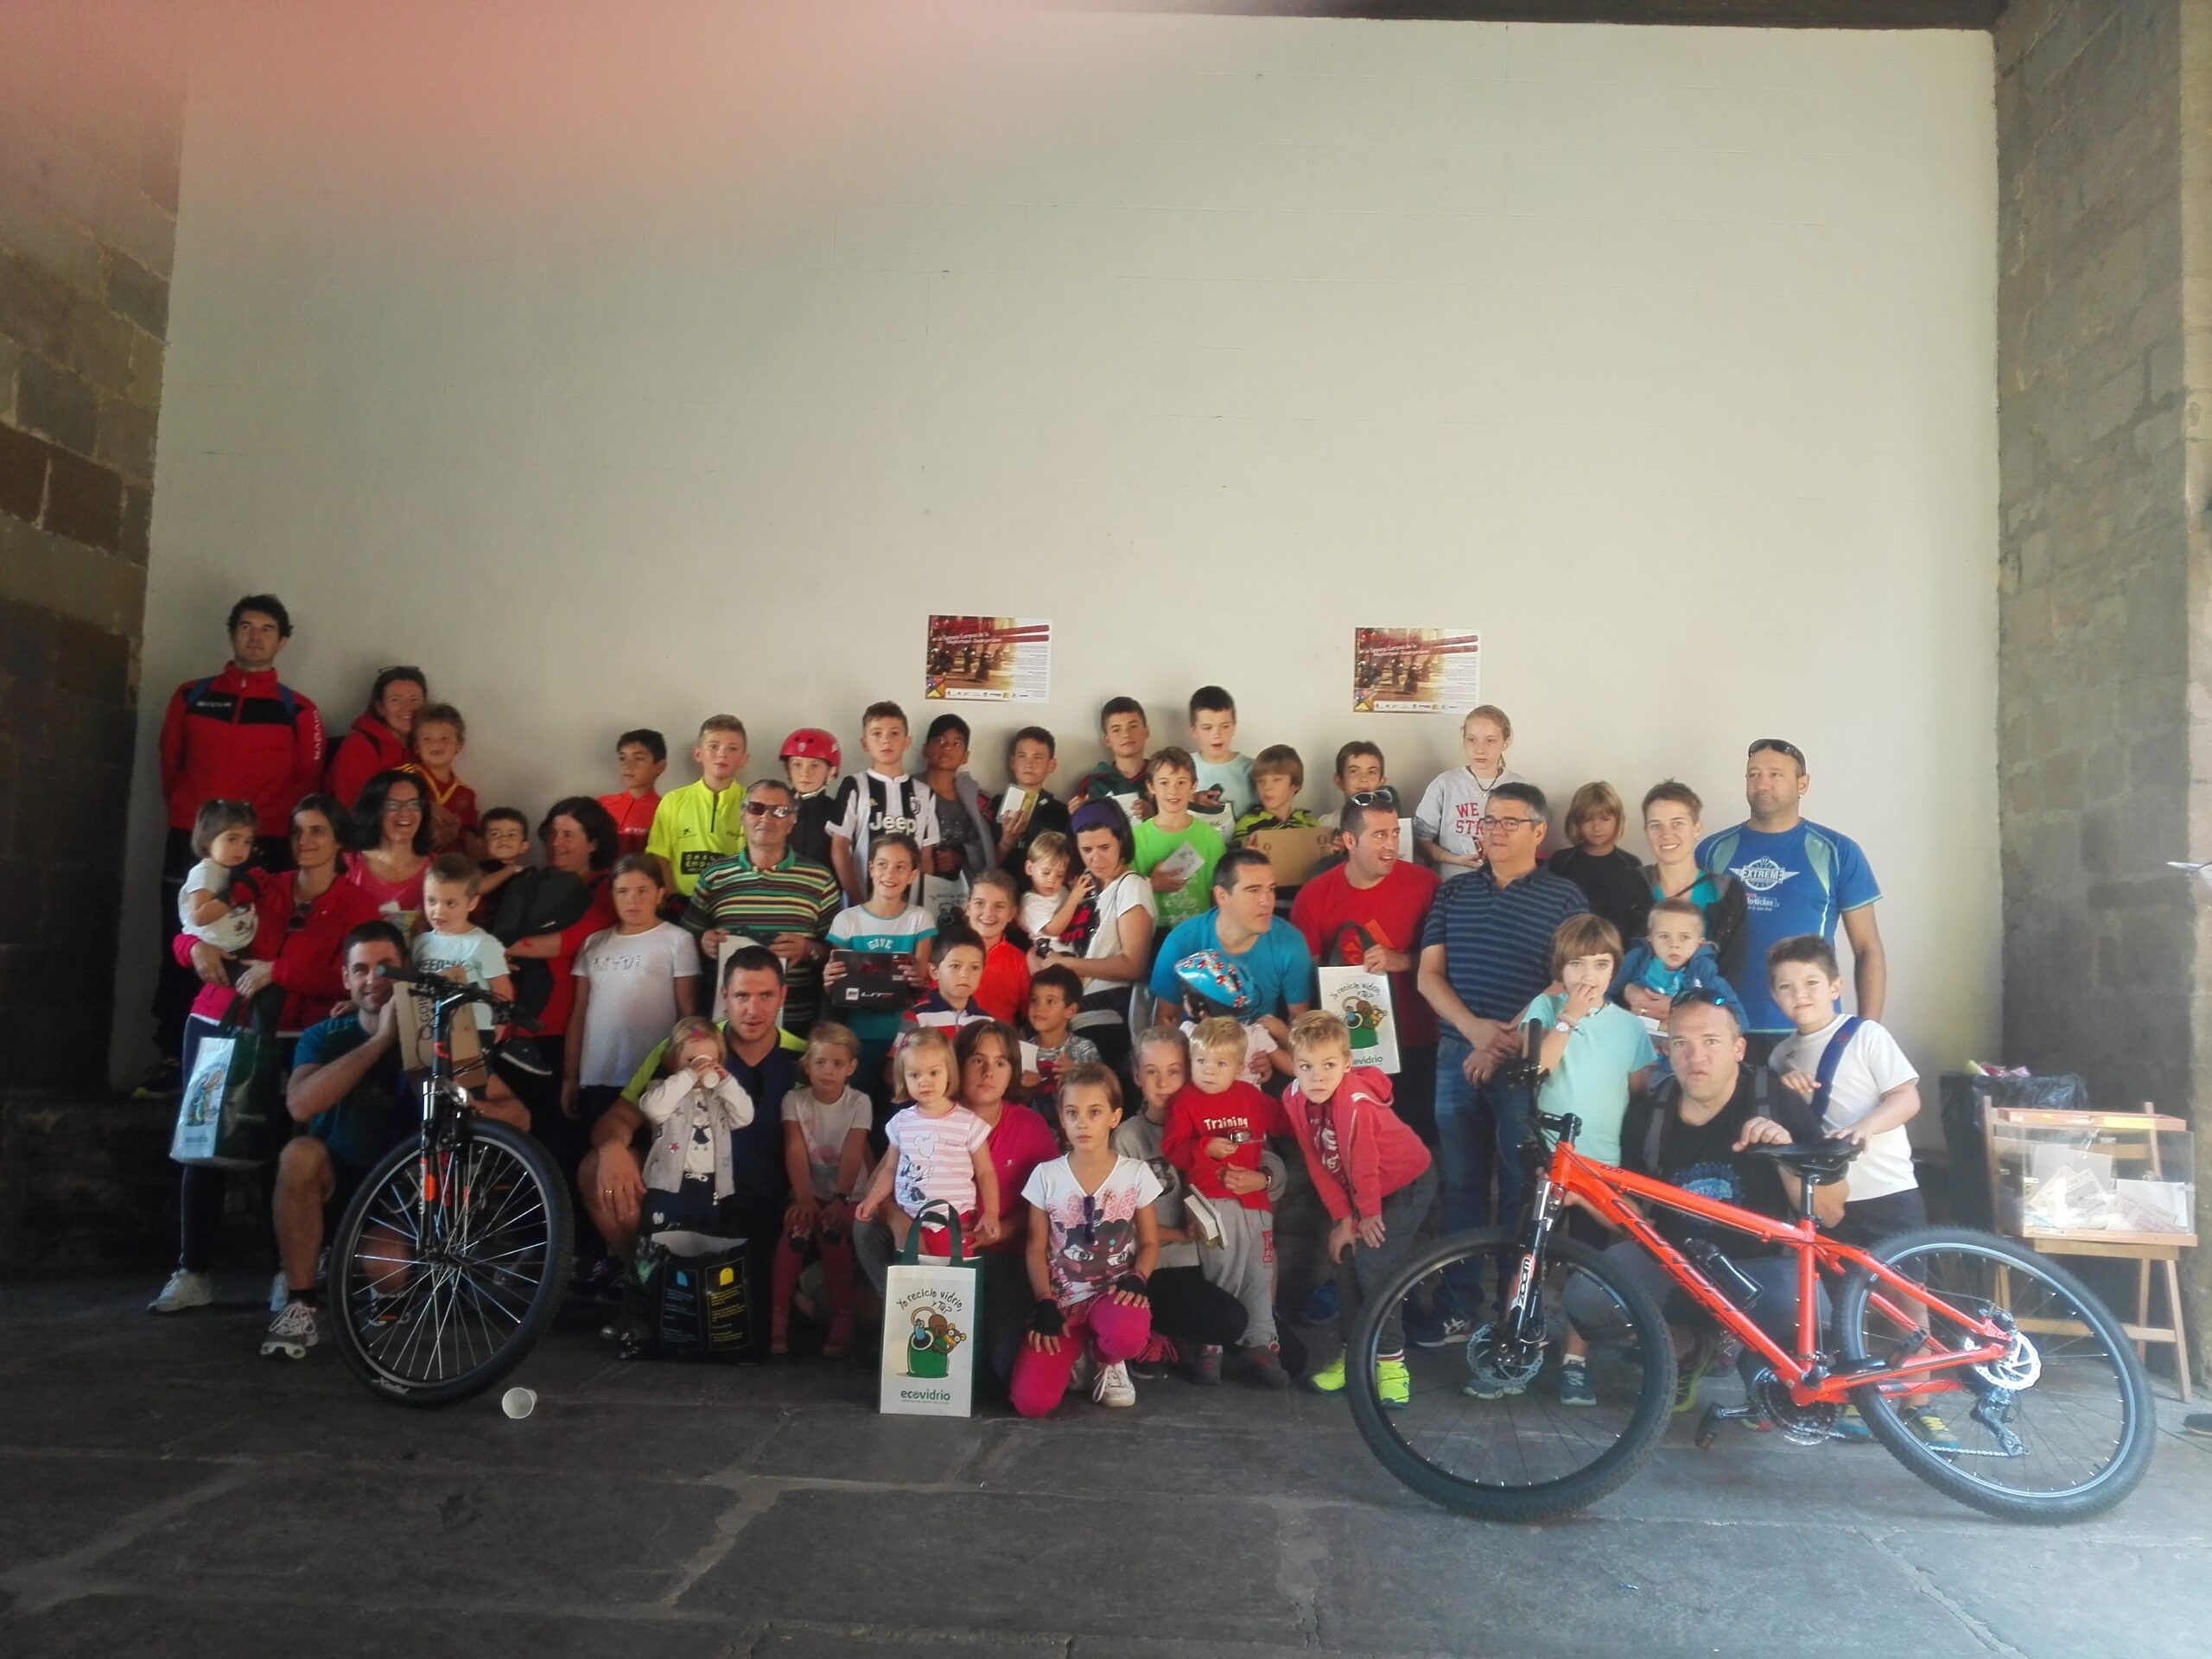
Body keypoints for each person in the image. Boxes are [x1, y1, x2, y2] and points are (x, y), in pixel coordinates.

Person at [150, 794, 379, 1317]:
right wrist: (195, 949)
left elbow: (352, 978)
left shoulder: (357, 904)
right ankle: (193, 1271)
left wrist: (280, 971)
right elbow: (189, 930)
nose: (305, 841)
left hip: (298, 1036)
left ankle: (287, 1272)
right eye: (297, 830)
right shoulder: (261, 883)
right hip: (222, 1023)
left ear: (339, 841)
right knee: (202, 1150)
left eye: (317, 831)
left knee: (283, 1155)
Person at [1557, 995, 1837, 1413]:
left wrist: (1786, 1152)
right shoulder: (1650, 1116)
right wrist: (1584, 1196)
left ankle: (1760, 1367)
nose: (1695, 1056)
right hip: (1679, 1266)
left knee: (1805, 1319)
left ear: (1738, 1048)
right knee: (1590, 1294)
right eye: (1681, 1043)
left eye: (1711, 1041)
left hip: (1761, 1269)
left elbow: (1831, 1211)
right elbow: (1639, 1219)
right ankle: (1688, 1346)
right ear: (1666, 1051)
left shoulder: (1775, 1100)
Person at [1414, 782, 1586, 1336]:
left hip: (1527, 1060)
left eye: (1511, 822)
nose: (1496, 831)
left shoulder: (1565, 897)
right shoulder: (1454, 893)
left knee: (1522, 1187)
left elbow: (1574, 978)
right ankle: (1458, 1306)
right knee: (1461, 1184)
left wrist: (1509, 1035)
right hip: (1455, 1055)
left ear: (1539, 832)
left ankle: (1517, 1313)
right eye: (1489, 821)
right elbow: (1428, 976)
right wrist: (1476, 1032)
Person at [147, 594, 323, 1094]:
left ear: (282, 641)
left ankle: (240, 1058)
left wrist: (260, 839)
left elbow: (306, 781)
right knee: (180, 941)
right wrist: (197, 827)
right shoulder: (191, 695)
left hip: (263, 847)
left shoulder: (299, 709)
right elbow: (170, 765)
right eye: (246, 626)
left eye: (267, 629)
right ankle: (172, 1054)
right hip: (192, 842)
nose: (255, 636)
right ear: (231, 634)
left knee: (252, 947)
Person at [586, 947, 809, 1310]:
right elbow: (619, 1118)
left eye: (766, 996)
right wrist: (612, 1149)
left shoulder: (808, 1058)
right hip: (686, 1191)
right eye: (742, 996)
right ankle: (648, 1289)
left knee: (759, 1307)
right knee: (596, 1168)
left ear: (783, 995)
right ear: (724, 996)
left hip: (767, 1204)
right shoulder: (686, 1047)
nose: (753, 1009)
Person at [257, 921, 416, 1357]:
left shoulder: (430, 1034)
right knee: (298, 1153)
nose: (373, 979)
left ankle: (348, 1266)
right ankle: (300, 1301)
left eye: (386, 967)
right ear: (346, 978)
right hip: (336, 1183)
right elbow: (300, 1106)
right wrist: (380, 1041)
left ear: (406, 969)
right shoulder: (324, 1035)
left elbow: (515, 1112)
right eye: (361, 969)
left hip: (400, 1196)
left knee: (389, 1270)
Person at [1281, 1011, 1437, 1410]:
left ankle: (1391, 1364)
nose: (1317, 1077)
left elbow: (1363, 1164)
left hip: (1406, 1184)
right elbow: (1318, 1161)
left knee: (1373, 1265)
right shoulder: (1294, 1098)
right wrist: (1343, 1219)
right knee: (1347, 1263)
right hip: (1363, 1193)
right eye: (1306, 1066)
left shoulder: (1355, 1104)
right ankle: (1356, 1357)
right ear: (1293, 1065)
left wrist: (1365, 1215)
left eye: (1329, 1065)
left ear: (1347, 1063)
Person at [1697, 741, 1885, 1064]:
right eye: (1753, 774)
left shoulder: (1837, 852)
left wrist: (1866, 1035)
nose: (1762, 783)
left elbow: (1868, 948)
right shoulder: (1712, 851)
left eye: (1775, 774)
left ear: (1802, 784)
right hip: (1724, 1026)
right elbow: (1688, 937)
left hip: (1811, 1029)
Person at [1011, 1065, 1160, 1415]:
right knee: (1031, 1403)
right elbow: (1035, 1247)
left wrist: (1138, 1278)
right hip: (1062, 1305)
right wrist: (1045, 1302)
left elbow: (1151, 1242)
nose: (1082, 1123)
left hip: (1113, 1297)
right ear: (1061, 1119)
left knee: (1127, 1333)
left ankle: (1109, 1359)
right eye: (1072, 1113)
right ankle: (1081, 1353)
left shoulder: (1136, 1174)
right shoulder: (1046, 1176)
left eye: (1094, 1113)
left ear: (1114, 1117)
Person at [1291, 796, 1441, 1141]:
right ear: (1349, 840)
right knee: (1358, 1142)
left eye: (1394, 833)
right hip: (1347, 1049)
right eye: (1379, 835)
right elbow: (1306, 980)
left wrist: (1402, 961)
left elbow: (1453, 962)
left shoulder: (1426, 885)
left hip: (1418, 1039)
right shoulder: (1314, 896)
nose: (1391, 845)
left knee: (1418, 1142)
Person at [1113, 1026, 1254, 1378]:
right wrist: (1180, 1234)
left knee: (1290, 1357)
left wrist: (1264, 1178)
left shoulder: (1211, 1121)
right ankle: (1152, 1328)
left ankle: (1191, 1338)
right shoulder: (1127, 1137)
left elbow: (1268, 1161)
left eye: (1174, 1072)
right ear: (1136, 1076)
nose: (1163, 1083)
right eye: (1152, 1072)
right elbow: (1118, 1225)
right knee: (1230, 1321)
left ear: (1190, 1072)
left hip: (1217, 1257)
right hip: (1163, 1263)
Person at [1766, 934, 1922, 1245]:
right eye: (1786, 987)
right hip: (1826, 1197)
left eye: (1812, 982)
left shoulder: (1866, 1034)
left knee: (1901, 1275)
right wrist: (1786, 1089)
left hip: (1886, 1188)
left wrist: (1865, 1127)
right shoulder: (1780, 1056)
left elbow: (1907, 1098)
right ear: (1774, 996)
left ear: (1835, 987)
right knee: (1835, 1275)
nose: (1799, 994)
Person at [1162, 1017, 1292, 1388]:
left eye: (1220, 1063)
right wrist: (1205, 1148)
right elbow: (1172, 1148)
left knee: (1260, 1273)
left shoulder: (1252, 1097)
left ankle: (1261, 1344)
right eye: (1201, 1061)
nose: (1209, 1070)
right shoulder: (1185, 1101)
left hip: (1256, 1204)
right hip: (1212, 1204)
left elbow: (1287, 1120)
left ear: (1239, 1066)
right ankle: (1210, 1346)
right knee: (1221, 1272)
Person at [502, 797, 622, 1146]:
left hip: (567, 1029)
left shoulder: (606, 886)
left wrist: (499, 950)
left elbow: (572, 940)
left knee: (558, 1133)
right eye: (552, 834)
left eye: (569, 835)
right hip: (514, 1026)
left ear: (594, 843)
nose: (556, 843)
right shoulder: (533, 881)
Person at [681, 778, 842, 1033]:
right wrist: (704, 943)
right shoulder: (715, 876)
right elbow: (683, 945)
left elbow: (836, 953)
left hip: (796, 1026)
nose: (766, 818)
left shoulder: (819, 879)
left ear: (792, 821)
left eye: (779, 811)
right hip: (725, 1025)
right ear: (742, 816)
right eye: (756, 808)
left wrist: (808, 949)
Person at [563, 855, 702, 1132]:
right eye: (623, 891)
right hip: (597, 1073)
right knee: (600, 1148)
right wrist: (570, 1076)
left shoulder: (677, 940)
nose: (632, 900)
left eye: (642, 891)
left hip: (653, 1074)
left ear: (660, 894)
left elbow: (687, 1013)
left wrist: (684, 1071)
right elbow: (579, 1013)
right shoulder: (593, 943)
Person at [1147, 848, 1317, 1046]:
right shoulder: (1182, 943)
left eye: (1271, 889)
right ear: (1221, 896)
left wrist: (1278, 1049)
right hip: (1196, 1052)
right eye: (1253, 890)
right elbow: (1165, 1025)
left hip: (1263, 1051)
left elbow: (1299, 1022)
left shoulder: (1290, 942)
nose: (1267, 901)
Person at [772, 1023, 872, 1356]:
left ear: (851, 1068)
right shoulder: (794, 1100)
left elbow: (855, 1150)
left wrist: (841, 1198)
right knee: (796, 1229)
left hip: (849, 1194)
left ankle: (843, 1319)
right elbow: (794, 1147)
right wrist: (802, 1196)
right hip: (810, 1190)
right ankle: (777, 1315)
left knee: (831, 1231)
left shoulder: (859, 1102)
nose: (828, 1071)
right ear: (807, 1066)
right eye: (820, 1063)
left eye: (837, 1064)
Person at [855, 1027, 1001, 1252]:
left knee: (950, 1276)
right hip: (909, 1223)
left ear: (949, 1071)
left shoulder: (968, 1123)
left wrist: (991, 1213)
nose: (924, 1081)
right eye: (915, 1075)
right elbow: (890, 1169)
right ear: (903, 1078)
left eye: (934, 1073)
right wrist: (874, 1197)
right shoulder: (901, 1122)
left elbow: (985, 1172)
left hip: (954, 1225)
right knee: (909, 1275)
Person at [823, 833, 934, 1109]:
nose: (890, 874)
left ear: (913, 874)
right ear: (871, 868)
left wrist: (918, 978)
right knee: (857, 1109)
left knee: (900, 1110)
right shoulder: (847, 920)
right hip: (857, 1036)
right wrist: (829, 980)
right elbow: (836, 983)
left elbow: (922, 980)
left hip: (906, 1037)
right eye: (882, 864)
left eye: (900, 867)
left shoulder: (919, 919)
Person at [1060, 803, 1157, 1084]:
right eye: (1087, 850)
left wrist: (1067, 965)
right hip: (1080, 1008)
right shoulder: (1090, 888)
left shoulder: (1131, 886)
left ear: (1121, 841)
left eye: (1104, 847)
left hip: (1109, 1012)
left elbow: (1133, 965)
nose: (1096, 858)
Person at [634, 1016, 759, 1233]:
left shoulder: (719, 1096)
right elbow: (652, 1108)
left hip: (712, 1184)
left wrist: (726, 1082)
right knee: (664, 1237)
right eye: (691, 1059)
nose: (701, 1066)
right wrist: (689, 1075)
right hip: (669, 1184)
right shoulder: (664, 1090)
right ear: (672, 1061)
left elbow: (745, 1116)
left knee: (706, 1239)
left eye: (710, 1061)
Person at [1615, 898, 1745, 1073]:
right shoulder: (1637, 960)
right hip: (1630, 1054)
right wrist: (1625, 997)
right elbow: (1603, 996)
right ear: (1650, 938)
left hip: (1679, 1064)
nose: (1674, 945)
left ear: (1700, 942)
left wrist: (1685, 1010)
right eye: (1664, 936)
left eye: (1684, 937)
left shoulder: (1703, 970)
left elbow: (1740, 1020)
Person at [828, 702, 939, 906]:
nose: (886, 740)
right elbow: (839, 847)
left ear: (907, 742)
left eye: (894, 733)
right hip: (862, 904)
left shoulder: (924, 793)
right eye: (877, 734)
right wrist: (857, 900)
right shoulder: (855, 786)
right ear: (865, 743)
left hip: (910, 909)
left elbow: (926, 856)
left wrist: (925, 905)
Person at [1637, 779, 1747, 985]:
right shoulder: (1628, 886)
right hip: (1638, 1004)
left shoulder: (1726, 893)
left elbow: (1731, 972)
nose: (1666, 834)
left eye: (1677, 823)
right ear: (1646, 832)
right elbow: (1614, 960)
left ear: (1697, 829)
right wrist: (1629, 992)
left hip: (1704, 1004)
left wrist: (1690, 1001)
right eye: (1655, 825)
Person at [644, 715, 750, 901]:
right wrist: (671, 900)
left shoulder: (753, 804)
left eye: (732, 748)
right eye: (713, 746)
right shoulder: (673, 801)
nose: (722, 754)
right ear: (698, 754)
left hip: (733, 905)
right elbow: (659, 855)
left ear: (743, 759)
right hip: (681, 903)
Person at [1414, 704, 1526, 880]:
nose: (1480, 749)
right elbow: (1420, 840)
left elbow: (1529, 840)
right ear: (1463, 739)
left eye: (1490, 741)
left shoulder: (1519, 786)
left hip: (1504, 884)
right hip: (1452, 883)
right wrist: (1455, 859)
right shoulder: (1445, 783)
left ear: (1505, 742)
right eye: (1472, 739)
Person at [410, 853, 515, 1036]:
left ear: (472, 903)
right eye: (431, 901)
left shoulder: (483, 944)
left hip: (474, 1032)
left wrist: (495, 1034)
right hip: (430, 1031)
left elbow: (502, 992)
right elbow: (409, 983)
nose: (438, 911)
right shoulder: (421, 942)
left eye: (450, 903)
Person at [1131, 747, 1225, 931]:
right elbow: (1123, 896)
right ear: (1151, 787)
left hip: (1198, 934)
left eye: (1181, 782)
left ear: (1193, 786)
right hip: (1152, 935)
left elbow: (1219, 897)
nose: (1173, 790)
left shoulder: (1210, 838)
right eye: (1164, 783)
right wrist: (1151, 884)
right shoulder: (1136, 838)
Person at [1547, 780, 1649, 946]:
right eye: (1588, 820)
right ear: (1576, 822)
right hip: (1568, 949)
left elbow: (1636, 922)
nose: (1596, 828)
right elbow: (1550, 913)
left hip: (1616, 952)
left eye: (1605, 819)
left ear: (1618, 819)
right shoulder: (1561, 861)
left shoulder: (1630, 864)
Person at [918, 713, 997, 915]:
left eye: (957, 743)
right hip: (912, 889)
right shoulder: (907, 789)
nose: (947, 748)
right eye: (940, 741)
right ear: (925, 750)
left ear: (966, 757)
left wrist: (959, 859)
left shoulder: (974, 798)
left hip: (959, 895)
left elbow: (982, 849)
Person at [343, 769, 433, 933]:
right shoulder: (347, 865)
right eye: (392, 805)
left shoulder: (438, 867)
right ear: (374, 810)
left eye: (414, 804)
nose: (405, 813)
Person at [325, 664, 426, 809]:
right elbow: (353, 809)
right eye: (396, 700)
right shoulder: (359, 745)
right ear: (380, 708)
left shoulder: (427, 745)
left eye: (414, 699)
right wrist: (427, 809)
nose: (407, 708)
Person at [176, 799, 262, 968]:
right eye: (232, 839)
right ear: (208, 840)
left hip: (238, 945)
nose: (240, 848)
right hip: (218, 951)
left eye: (247, 841)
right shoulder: (205, 872)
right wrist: (234, 896)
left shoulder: (231, 869)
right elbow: (199, 917)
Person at [396, 702, 480, 858]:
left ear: (459, 745)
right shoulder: (402, 777)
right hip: (407, 860)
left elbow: (470, 838)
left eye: (445, 738)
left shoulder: (466, 794)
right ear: (416, 746)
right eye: (427, 738)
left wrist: (455, 830)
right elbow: (382, 810)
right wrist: (426, 807)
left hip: (448, 866)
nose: (436, 744)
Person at [993, 725, 1071, 881]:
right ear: (1012, 762)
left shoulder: (1060, 812)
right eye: (1022, 756)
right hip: (1002, 888)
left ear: (1051, 765)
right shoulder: (995, 805)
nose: (1029, 764)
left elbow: (1066, 865)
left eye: (1037, 757)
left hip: (1045, 890)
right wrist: (1006, 842)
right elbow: (984, 866)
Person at [1021, 963, 1099, 1103]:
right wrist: (1025, 1088)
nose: (1039, 1008)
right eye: (1034, 1000)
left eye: (1050, 1001)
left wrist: (1076, 1074)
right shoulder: (1022, 1051)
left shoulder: (1083, 1049)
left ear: (1070, 1011)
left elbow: (1100, 1091)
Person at [963, 870, 1032, 1026]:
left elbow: (1031, 1016)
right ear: (968, 907)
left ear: (1012, 913)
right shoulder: (945, 951)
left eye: (999, 906)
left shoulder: (1019, 962)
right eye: (980, 903)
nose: (988, 913)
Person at [1070, 696, 1151, 817]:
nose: (1126, 734)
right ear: (1107, 740)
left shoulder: (1163, 776)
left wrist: (1155, 812)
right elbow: (1081, 826)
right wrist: (1079, 814)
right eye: (1116, 730)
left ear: (1146, 731)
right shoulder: (1094, 782)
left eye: (1133, 726)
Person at [1186, 684, 1254, 825]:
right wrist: (1191, 799)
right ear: (1194, 731)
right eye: (1207, 728)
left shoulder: (1253, 770)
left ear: (1234, 727)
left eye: (1225, 726)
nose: (1217, 734)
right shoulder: (1182, 767)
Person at [779, 727, 842, 868]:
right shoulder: (774, 808)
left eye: (814, 766)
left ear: (831, 771)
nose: (805, 773)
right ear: (787, 768)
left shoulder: (837, 812)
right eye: (797, 764)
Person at [598, 728, 667, 857]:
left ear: (660, 766)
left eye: (639, 759)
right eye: (622, 758)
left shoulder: (665, 810)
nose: (628, 765)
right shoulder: (602, 805)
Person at [1019, 830, 1081, 947]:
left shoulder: (1062, 890)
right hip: (1050, 952)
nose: (1052, 880)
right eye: (1046, 873)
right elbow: (1053, 929)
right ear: (1029, 868)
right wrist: (1074, 897)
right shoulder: (1030, 903)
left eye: (1060, 875)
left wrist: (1074, 890)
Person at [474, 807, 532, 915]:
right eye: (495, 834)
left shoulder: (525, 874)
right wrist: (511, 870)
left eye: (512, 835)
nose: (504, 839)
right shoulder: (478, 869)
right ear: (482, 842)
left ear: (524, 846)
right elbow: (477, 887)